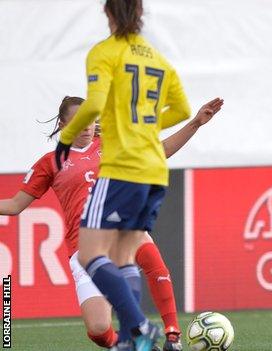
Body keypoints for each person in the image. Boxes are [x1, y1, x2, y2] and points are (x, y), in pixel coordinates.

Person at [0, 96, 223, 350]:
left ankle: (173, 336)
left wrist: (195, 123)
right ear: (63, 125)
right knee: (97, 330)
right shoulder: (50, 163)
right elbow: (15, 205)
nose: (86, 125)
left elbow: (161, 150)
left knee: (151, 259)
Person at [54, 1, 193, 349]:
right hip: (154, 171)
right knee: (125, 256)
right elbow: (182, 109)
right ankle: (133, 341)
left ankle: (139, 327)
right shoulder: (158, 60)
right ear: (141, 15)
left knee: (88, 254)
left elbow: (95, 104)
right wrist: (143, 126)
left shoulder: (104, 52)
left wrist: (68, 138)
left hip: (122, 168)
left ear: (109, 14)